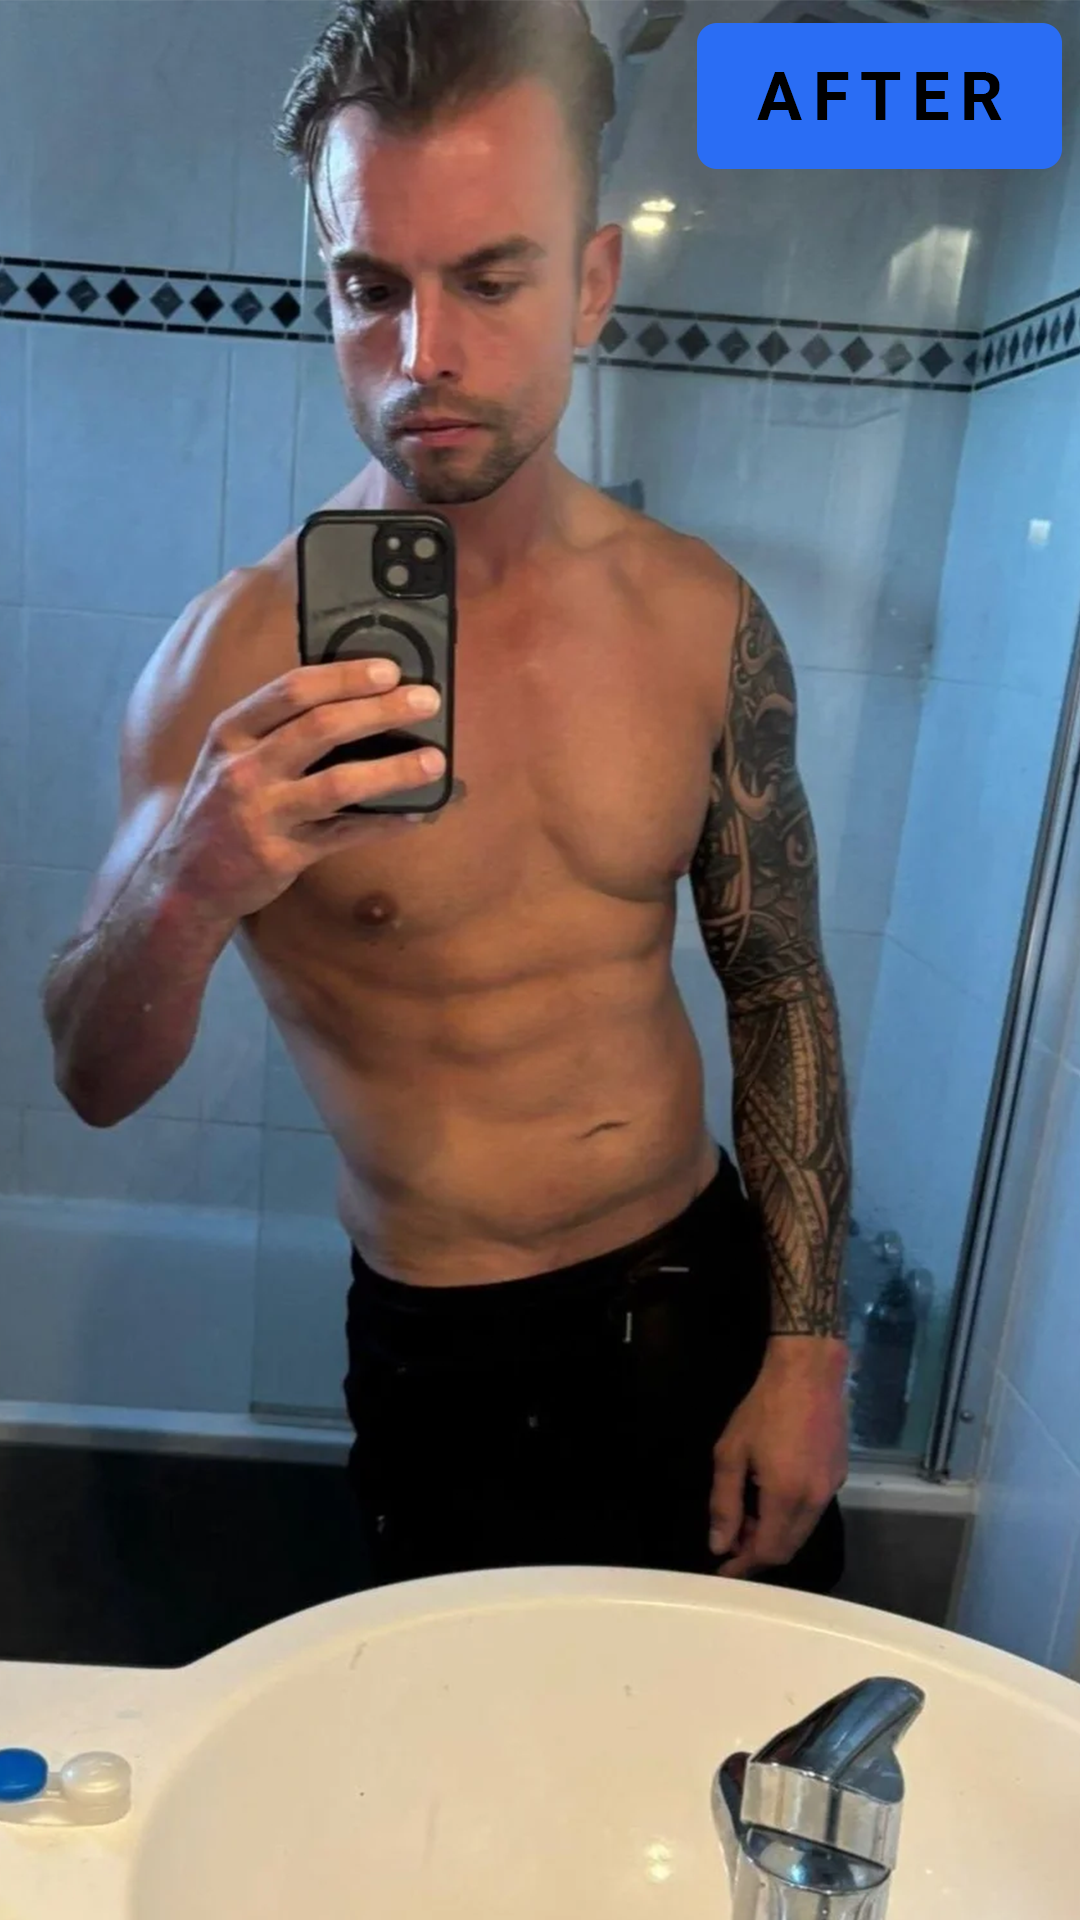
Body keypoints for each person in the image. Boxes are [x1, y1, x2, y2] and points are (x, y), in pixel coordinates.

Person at [42, 0, 850, 1593]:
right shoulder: (228, 659)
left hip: (702, 1293)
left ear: (590, 284)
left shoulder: (699, 617)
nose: (427, 356)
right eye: (372, 288)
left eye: (491, 278)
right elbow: (93, 1077)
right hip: (445, 1354)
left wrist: (809, 1351)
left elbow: (778, 982)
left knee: (758, 1739)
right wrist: (192, 878)